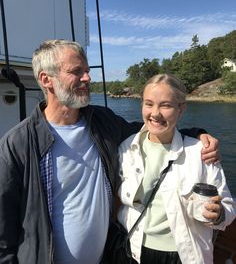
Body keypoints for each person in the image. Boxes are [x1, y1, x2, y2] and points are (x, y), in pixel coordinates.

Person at [0, 40, 220, 264]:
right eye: (77, 71)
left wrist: (196, 134)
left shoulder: (102, 122)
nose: (87, 78)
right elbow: (3, 235)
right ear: (47, 79)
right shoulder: (18, 144)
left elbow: (150, 129)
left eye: (86, 71)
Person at [117, 73, 236, 264]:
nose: (155, 113)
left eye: (165, 105)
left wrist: (219, 213)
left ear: (181, 109)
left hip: (185, 254)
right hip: (136, 250)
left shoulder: (201, 152)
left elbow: (228, 207)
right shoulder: (126, 148)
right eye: (149, 104)